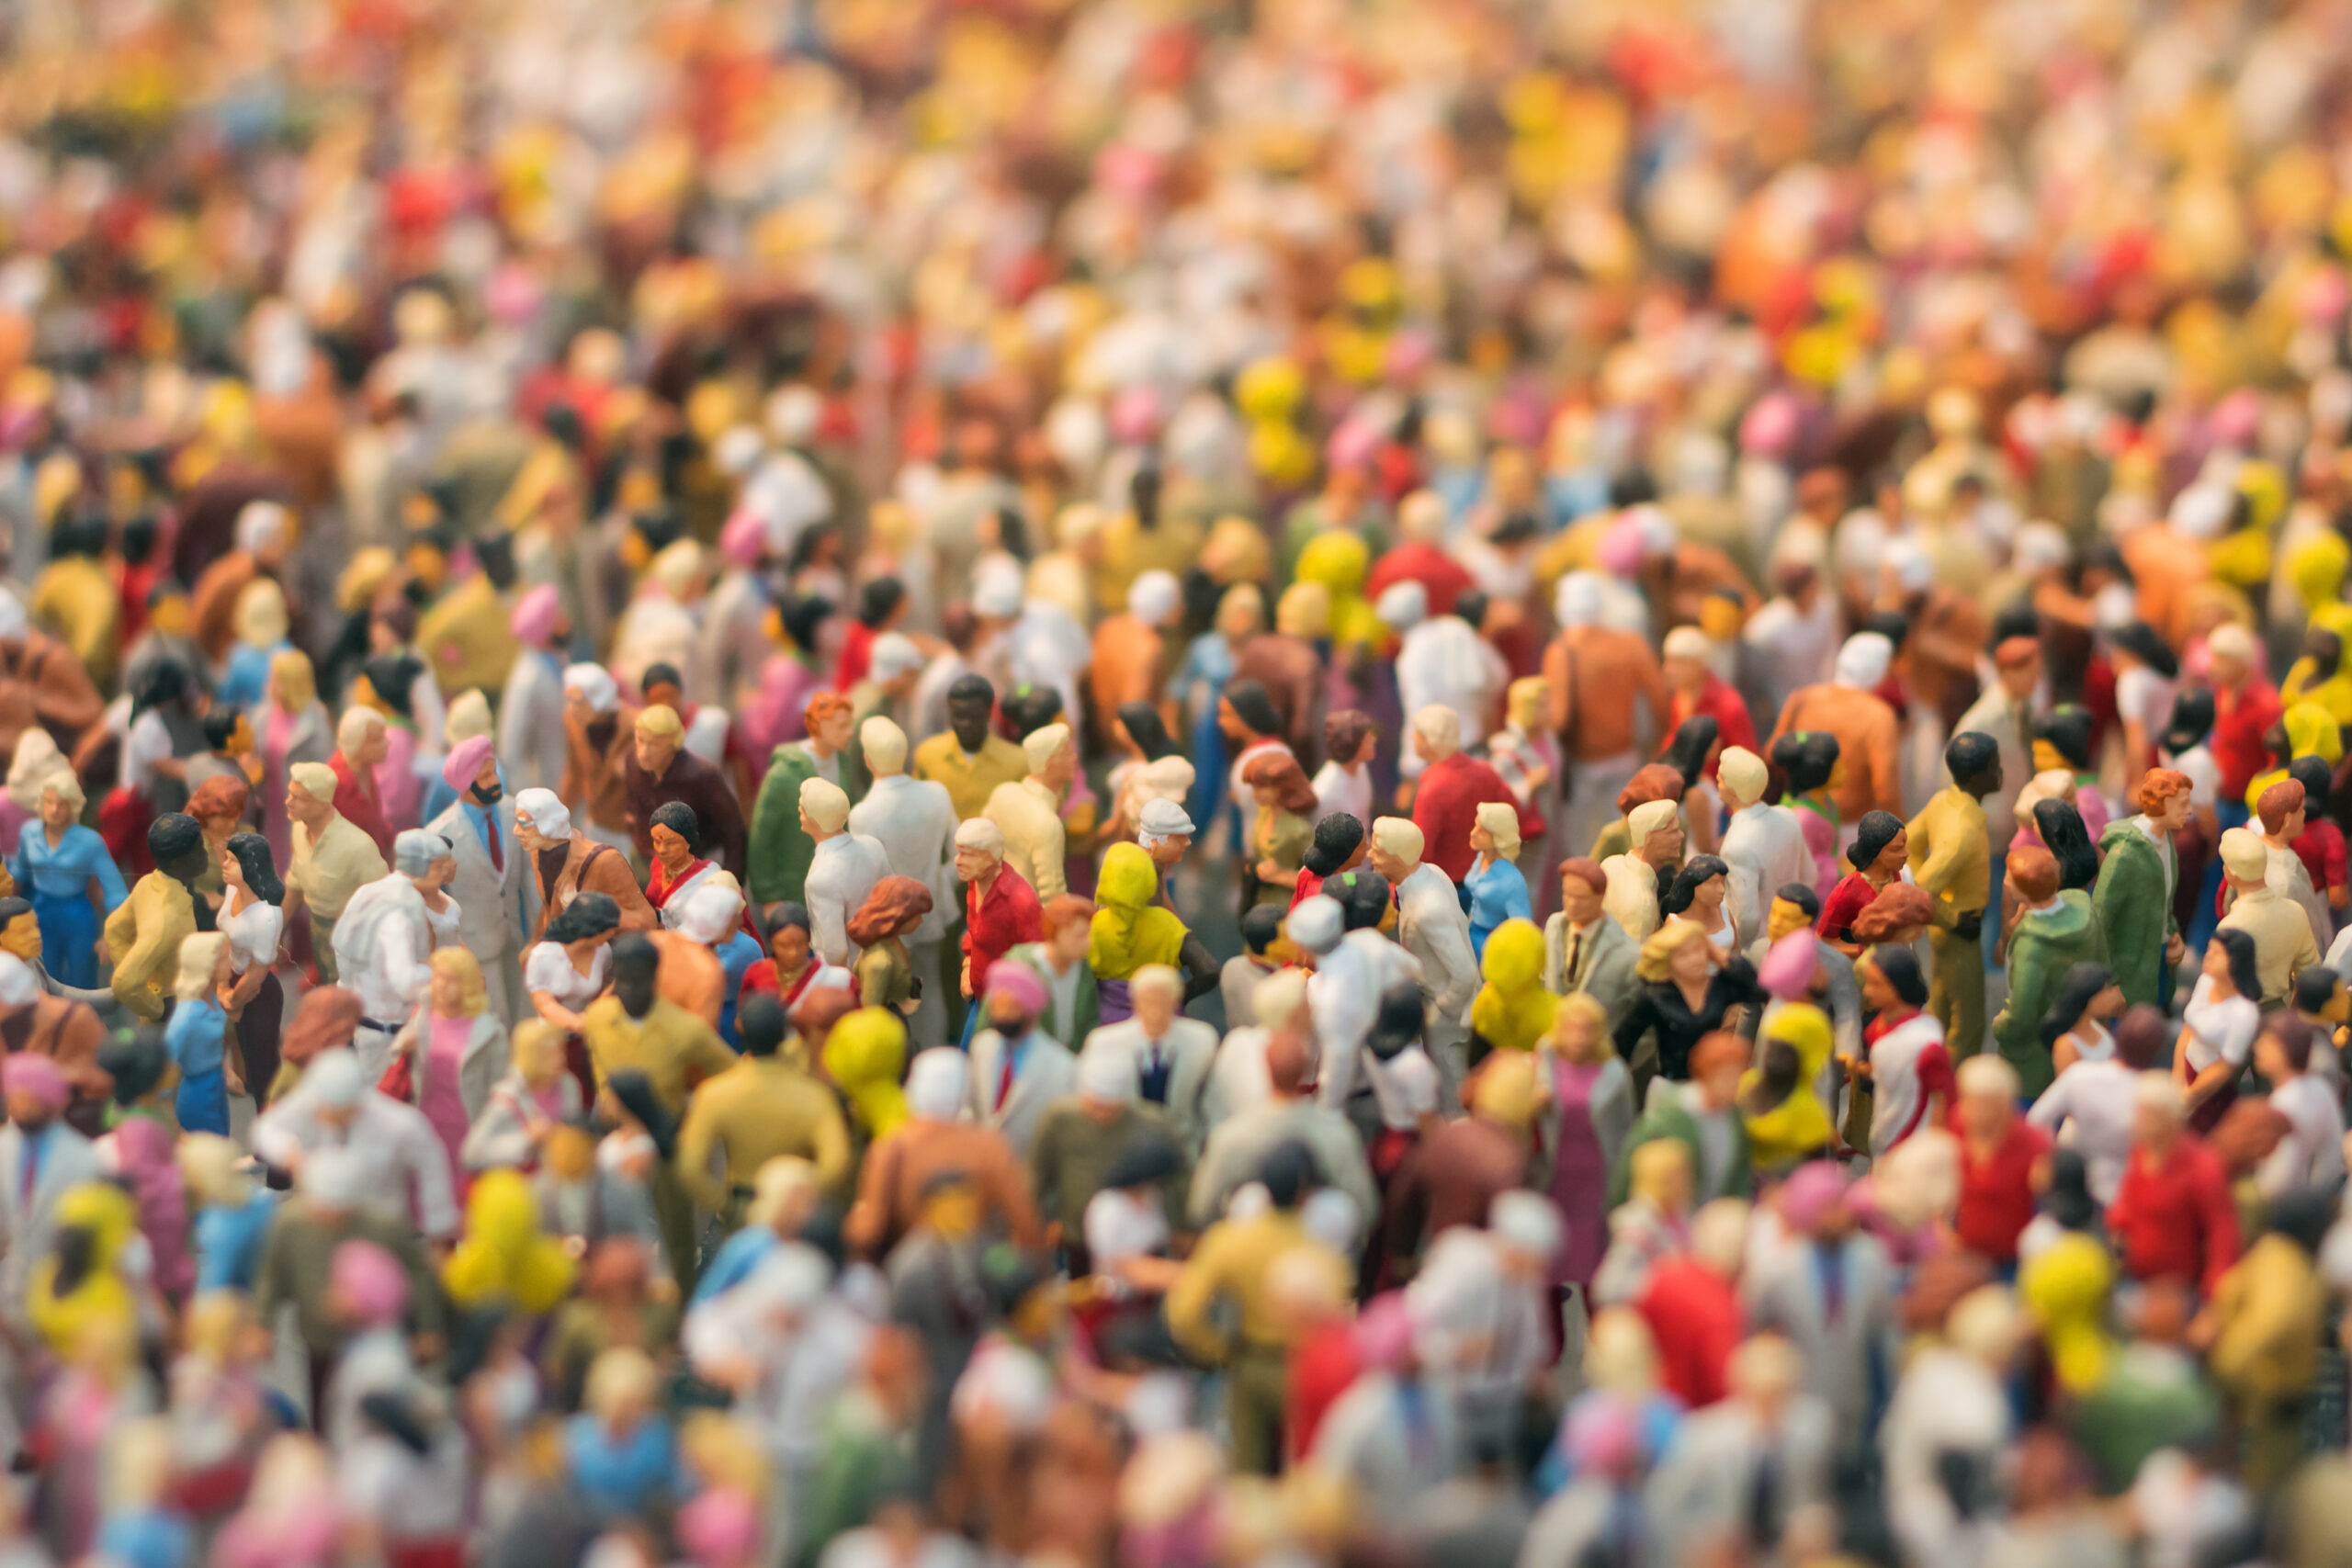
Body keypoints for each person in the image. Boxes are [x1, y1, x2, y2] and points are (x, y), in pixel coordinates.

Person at [1991, 845, 2106, 1099]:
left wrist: (2002, 1027)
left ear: (2023, 888)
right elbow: (2101, 961)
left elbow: (2022, 1009)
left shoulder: (2032, 946)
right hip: (2077, 1027)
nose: (2006, 881)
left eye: (2009, 877)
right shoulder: (2082, 905)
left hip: (2032, 1045)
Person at [11, 772, 125, 991]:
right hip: (40, 911)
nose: (54, 810)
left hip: (77, 913)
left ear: (73, 806)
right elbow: (18, 876)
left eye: (62, 804)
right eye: (49, 802)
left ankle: (83, 1022)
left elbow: (116, 891)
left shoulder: (90, 841)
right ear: (41, 803)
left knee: (81, 976)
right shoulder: (28, 833)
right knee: (42, 972)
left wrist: (112, 935)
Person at [281, 761, 389, 987]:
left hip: (354, 936)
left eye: (297, 797)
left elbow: (384, 900)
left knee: (352, 994)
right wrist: (277, 929)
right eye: (290, 794)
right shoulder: (299, 829)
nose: (288, 802)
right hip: (318, 928)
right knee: (328, 988)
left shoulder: (358, 846)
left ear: (322, 803)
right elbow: (295, 883)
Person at [1402, 705, 1515, 882]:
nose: (1412, 737)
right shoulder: (1486, 772)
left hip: (1449, 882)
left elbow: (1421, 850)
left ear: (1427, 739)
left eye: (1416, 733)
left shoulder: (1432, 788)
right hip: (1488, 873)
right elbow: (1513, 818)